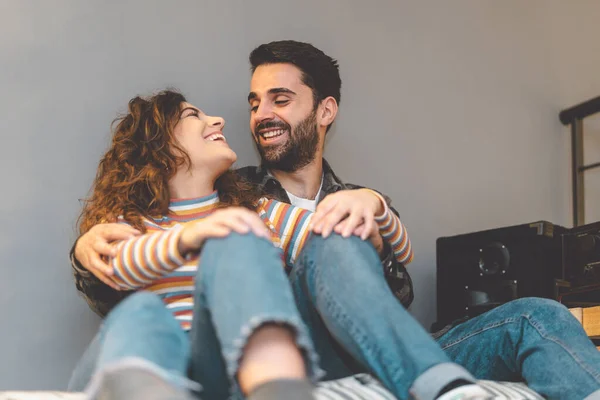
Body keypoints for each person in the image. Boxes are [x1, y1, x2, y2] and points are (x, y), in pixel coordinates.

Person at [71, 40, 600, 400]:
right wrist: (90, 245)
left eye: (280, 99)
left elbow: (394, 291)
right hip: (284, 349)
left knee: (540, 315)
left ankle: (441, 381)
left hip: (376, 348)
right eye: (255, 102)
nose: (257, 116)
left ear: (324, 111)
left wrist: (375, 206)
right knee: (291, 245)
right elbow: (117, 279)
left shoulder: (331, 202)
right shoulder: (242, 198)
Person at [72, 89, 417, 400]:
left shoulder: (256, 210)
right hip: (166, 362)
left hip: (232, 363)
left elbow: (354, 244)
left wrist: (372, 201)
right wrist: (188, 237)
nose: (218, 119)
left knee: (250, 238)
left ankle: (278, 383)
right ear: (159, 146)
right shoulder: (131, 221)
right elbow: (115, 266)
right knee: (138, 315)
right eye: (193, 115)